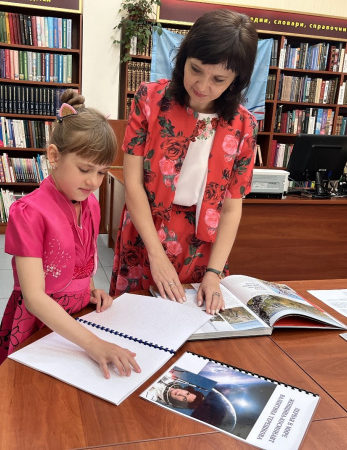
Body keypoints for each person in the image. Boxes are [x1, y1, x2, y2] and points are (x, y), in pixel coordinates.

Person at [110, 9, 258, 315]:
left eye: (218, 79)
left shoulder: (243, 125)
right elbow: (133, 183)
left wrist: (214, 274)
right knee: (135, 319)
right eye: (196, 69)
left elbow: (231, 207)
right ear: (183, 59)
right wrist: (155, 253)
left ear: (236, 81)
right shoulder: (150, 99)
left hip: (203, 247)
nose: (202, 85)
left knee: (196, 324)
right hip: (145, 230)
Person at [0, 90, 141, 380]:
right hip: (40, 321)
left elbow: (84, 259)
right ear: (54, 156)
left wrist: (90, 289)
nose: (93, 181)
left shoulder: (91, 204)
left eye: (101, 172)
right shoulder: (29, 212)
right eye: (85, 169)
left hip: (80, 314)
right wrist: (94, 345)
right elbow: (34, 297)